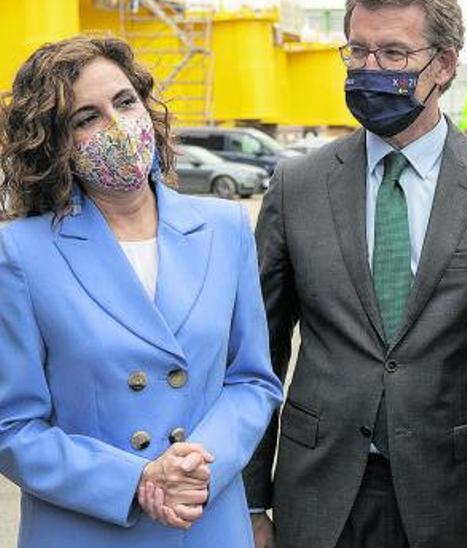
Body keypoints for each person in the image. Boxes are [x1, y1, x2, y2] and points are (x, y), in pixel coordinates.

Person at [245, 1, 467, 547]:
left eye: (394, 53)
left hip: (460, 501)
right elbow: (259, 356)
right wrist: (253, 499)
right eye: (357, 50)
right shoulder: (295, 187)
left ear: (444, 64)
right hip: (318, 499)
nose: (369, 67)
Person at [0, 36, 283, 547]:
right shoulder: (20, 253)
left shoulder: (225, 228)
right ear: (54, 143)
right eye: (86, 118)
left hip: (205, 520)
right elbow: (13, 426)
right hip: (87, 528)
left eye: (124, 102)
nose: (116, 125)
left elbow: (252, 381)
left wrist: (197, 465)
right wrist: (138, 480)